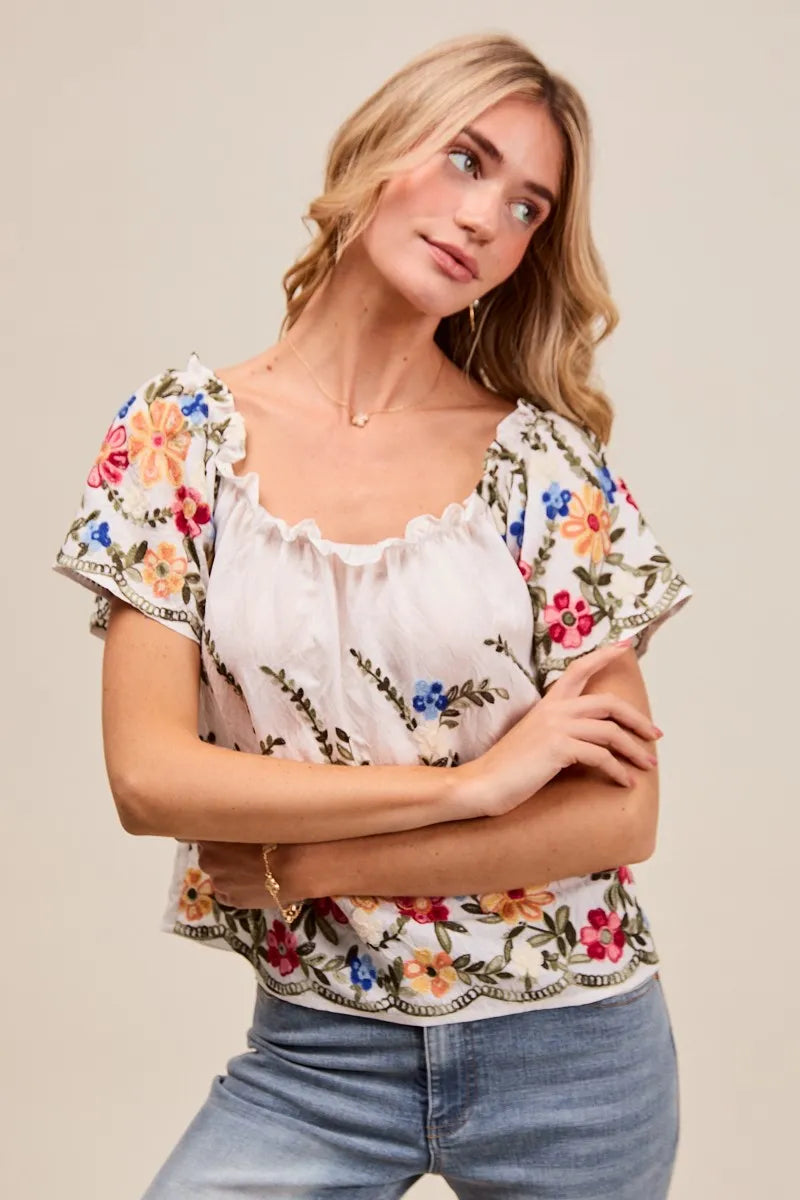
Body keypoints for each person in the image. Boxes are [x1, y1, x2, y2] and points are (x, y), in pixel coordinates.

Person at [51, 30, 694, 1200]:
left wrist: (312, 859)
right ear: (376, 149)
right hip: (314, 1059)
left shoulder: (542, 467)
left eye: (526, 207)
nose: (484, 218)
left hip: (575, 1059)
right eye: (463, 159)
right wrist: (469, 788)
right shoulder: (176, 436)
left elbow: (619, 817)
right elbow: (150, 778)